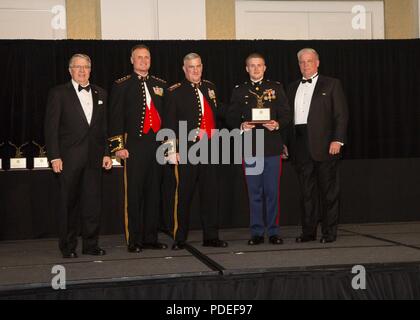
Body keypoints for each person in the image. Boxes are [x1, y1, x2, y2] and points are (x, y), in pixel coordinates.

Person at [44, 53, 112, 258]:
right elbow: (51, 128)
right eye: (78, 67)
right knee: (69, 205)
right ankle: (68, 247)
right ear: (70, 70)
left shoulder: (101, 93)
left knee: (92, 205)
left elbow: (103, 128)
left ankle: (91, 245)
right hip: (69, 159)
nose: (82, 71)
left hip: (94, 158)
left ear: (91, 70)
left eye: (86, 67)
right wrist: (54, 156)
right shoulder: (58, 93)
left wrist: (107, 153)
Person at [108, 44, 168, 253]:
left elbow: (167, 119)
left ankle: (151, 238)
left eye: (147, 57)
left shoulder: (160, 84)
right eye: (139, 57)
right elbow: (114, 118)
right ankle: (134, 239)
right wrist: (118, 147)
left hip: (156, 145)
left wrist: (168, 147)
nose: (143, 61)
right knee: (134, 194)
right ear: (132, 60)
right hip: (134, 145)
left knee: (154, 194)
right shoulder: (121, 85)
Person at [226, 53, 291, 245]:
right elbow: (230, 117)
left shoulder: (276, 88)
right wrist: (241, 126)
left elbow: (287, 114)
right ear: (247, 69)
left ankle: (272, 232)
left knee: (272, 192)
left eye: (259, 65)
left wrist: (277, 124)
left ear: (265, 67)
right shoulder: (239, 91)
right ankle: (256, 232)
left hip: (271, 148)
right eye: (252, 66)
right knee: (254, 193)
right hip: (251, 148)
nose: (256, 69)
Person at [165, 53, 228, 250]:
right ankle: (180, 237)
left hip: (210, 147)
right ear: (184, 69)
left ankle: (211, 236)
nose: (195, 70)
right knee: (184, 195)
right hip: (187, 148)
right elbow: (169, 123)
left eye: (198, 66)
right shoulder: (174, 92)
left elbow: (219, 113)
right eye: (191, 67)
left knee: (211, 194)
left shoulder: (210, 88)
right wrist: (171, 150)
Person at [285, 48, 348, 244]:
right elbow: (288, 119)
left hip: (326, 146)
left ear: (317, 62)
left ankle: (329, 233)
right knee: (306, 194)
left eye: (309, 61)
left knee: (328, 193)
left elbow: (341, 115)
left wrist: (337, 140)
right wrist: (285, 144)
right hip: (300, 146)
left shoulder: (332, 84)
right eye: (302, 62)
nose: (306, 65)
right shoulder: (292, 87)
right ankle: (308, 233)